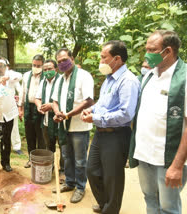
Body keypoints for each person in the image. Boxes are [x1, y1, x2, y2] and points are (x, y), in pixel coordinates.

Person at [129, 30, 187, 214]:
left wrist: (177, 166)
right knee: (151, 200)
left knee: (168, 207)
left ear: (168, 51)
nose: (147, 54)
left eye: (152, 49)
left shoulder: (183, 79)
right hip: (145, 155)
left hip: (168, 159)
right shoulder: (149, 75)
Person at [81, 40, 140, 213]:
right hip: (100, 134)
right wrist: (90, 110)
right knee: (92, 170)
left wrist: (96, 118)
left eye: (103, 57)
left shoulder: (128, 81)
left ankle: (110, 209)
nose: (100, 61)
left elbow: (126, 114)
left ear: (117, 59)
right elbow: (103, 103)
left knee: (112, 178)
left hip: (116, 134)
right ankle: (105, 203)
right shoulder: (109, 79)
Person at [51, 48, 94, 203]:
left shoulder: (84, 76)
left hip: (79, 127)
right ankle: (69, 182)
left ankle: (80, 187)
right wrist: (57, 113)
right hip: (64, 126)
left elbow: (88, 100)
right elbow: (54, 100)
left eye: (64, 59)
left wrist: (68, 114)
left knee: (80, 160)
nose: (62, 63)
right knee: (67, 157)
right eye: (59, 61)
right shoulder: (60, 79)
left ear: (72, 58)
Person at [34, 59, 64, 168]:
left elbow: (65, 101)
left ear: (56, 69)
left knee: (63, 147)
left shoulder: (62, 80)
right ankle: (50, 168)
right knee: (49, 146)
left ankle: (62, 170)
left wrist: (51, 105)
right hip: (46, 120)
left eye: (50, 69)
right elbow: (37, 98)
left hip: (60, 121)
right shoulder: (43, 82)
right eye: (45, 69)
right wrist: (39, 106)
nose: (47, 71)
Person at [18, 54, 46, 168]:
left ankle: (40, 159)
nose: (36, 67)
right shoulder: (26, 75)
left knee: (41, 135)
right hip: (28, 107)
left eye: (38, 65)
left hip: (41, 107)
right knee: (29, 135)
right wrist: (20, 108)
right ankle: (31, 159)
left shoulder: (45, 76)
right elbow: (22, 92)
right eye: (34, 65)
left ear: (42, 65)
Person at [6, 60, 23, 155]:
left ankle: (16, 147)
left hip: (12, 106)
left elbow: (20, 90)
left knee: (14, 127)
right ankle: (0, 145)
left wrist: (19, 104)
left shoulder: (12, 77)